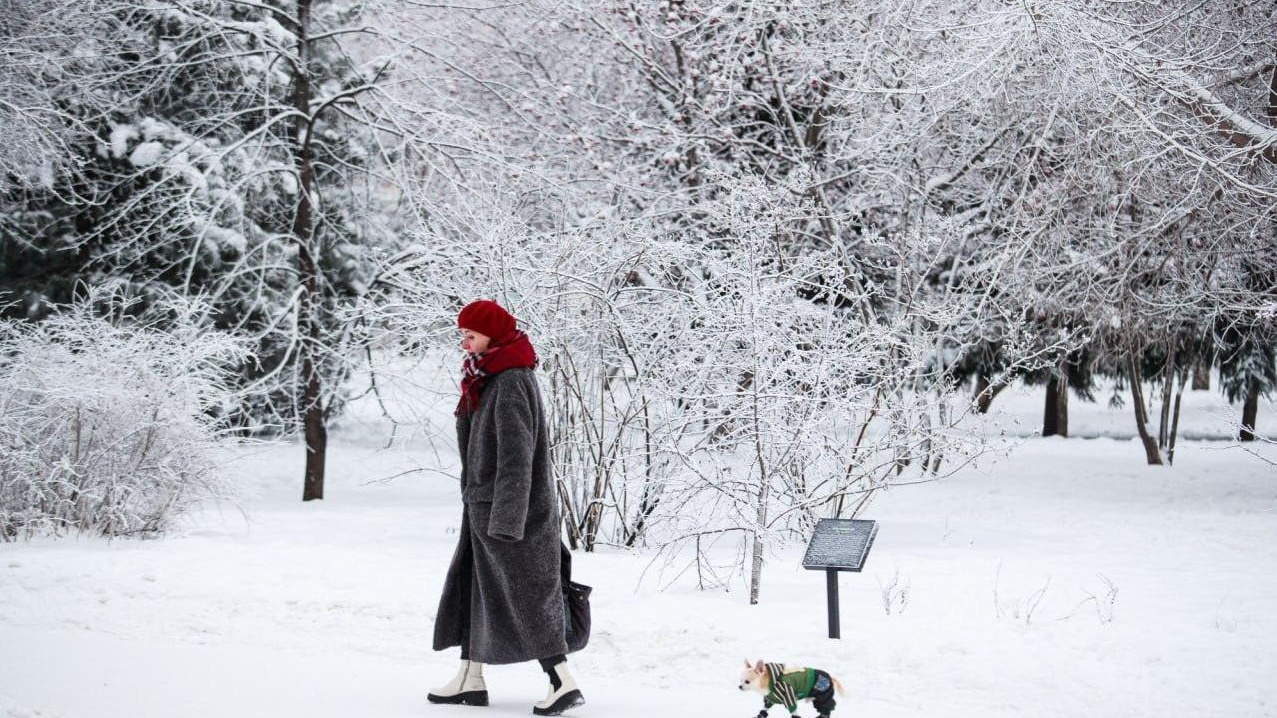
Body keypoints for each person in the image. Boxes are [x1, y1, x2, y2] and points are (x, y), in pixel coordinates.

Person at [429, 299, 586, 716]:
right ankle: (471, 678)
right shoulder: (489, 376)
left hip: (512, 515)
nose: (465, 344)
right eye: (461, 335)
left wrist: (508, 519)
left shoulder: (511, 379)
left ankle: (562, 682)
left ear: (492, 334)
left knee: (527, 598)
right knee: (477, 589)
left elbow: (518, 456)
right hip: (487, 507)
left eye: (471, 335)